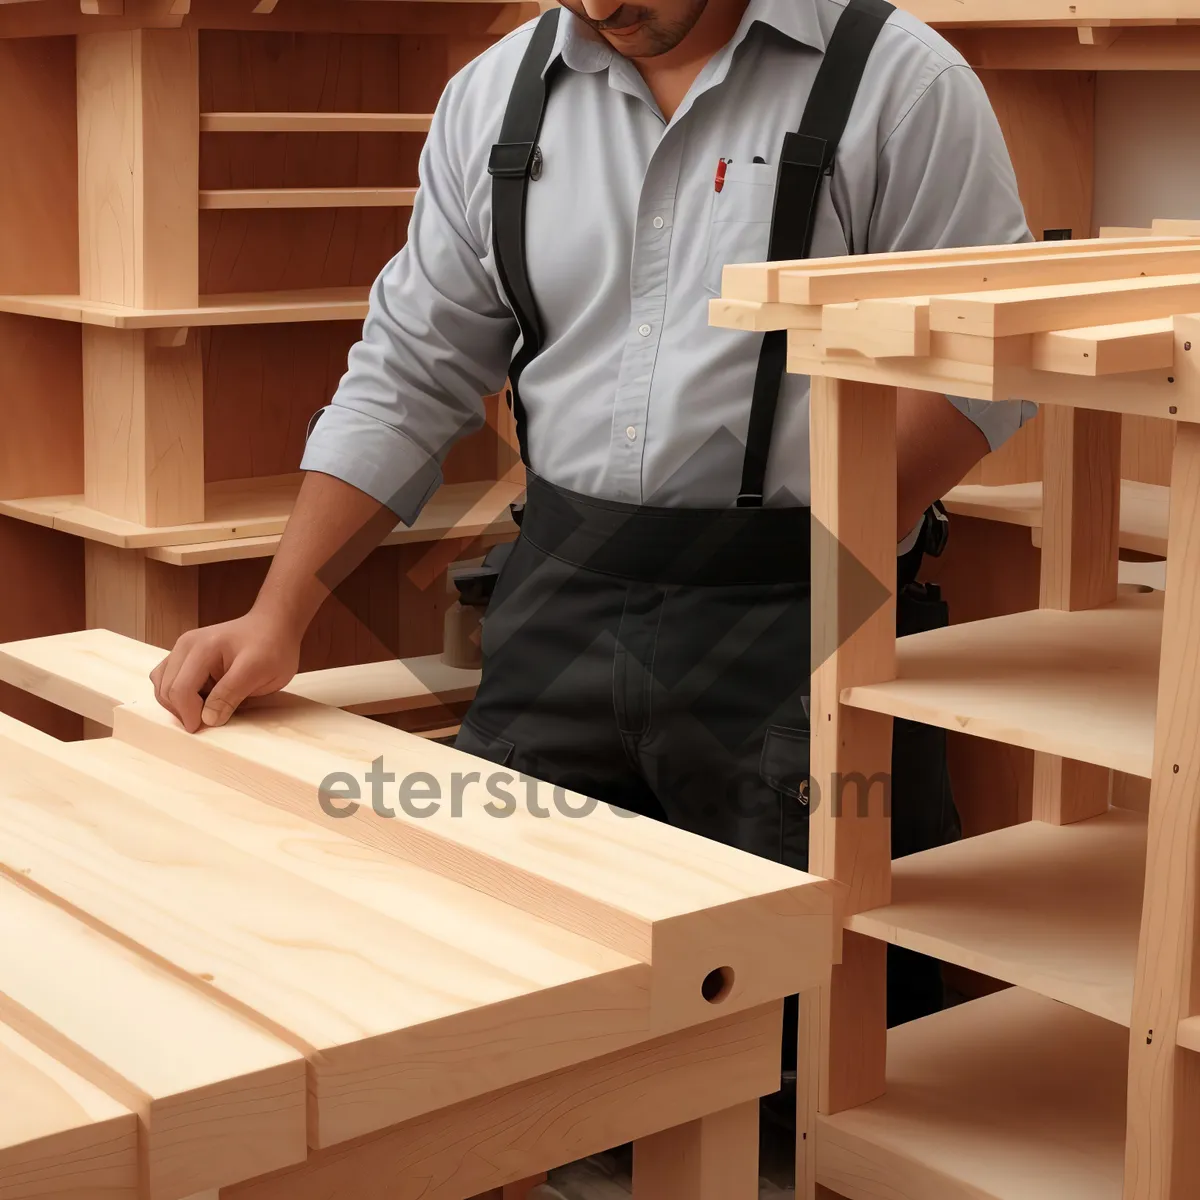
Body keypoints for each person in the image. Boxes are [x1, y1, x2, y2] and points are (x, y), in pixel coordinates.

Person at [151, 0, 1034, 1145]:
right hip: (560, 594)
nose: (604, 7)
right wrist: (282, 610)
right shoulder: (495, 98)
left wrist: (847, 555)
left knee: (807, 1051)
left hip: (807, 598)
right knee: (523, 988)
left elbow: (982, 369)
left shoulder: (897, 79)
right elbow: (411, 366)